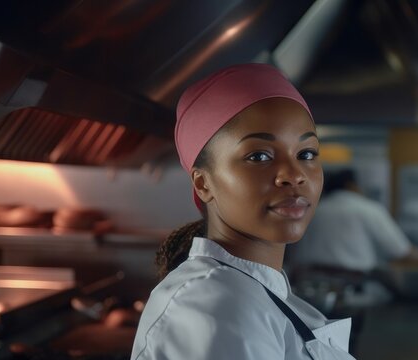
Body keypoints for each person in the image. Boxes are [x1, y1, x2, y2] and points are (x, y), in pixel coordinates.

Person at [131, 64, 356, 360]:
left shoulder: (254, 290)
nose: (294, 174)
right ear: (203, 183)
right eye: (260, 156)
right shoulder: (214, 305)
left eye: (307, 154)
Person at [289, 168, 418, 273]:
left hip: (306, 286)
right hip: (354, 289)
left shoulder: (310, 210)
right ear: (352, 186)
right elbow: (400, 251)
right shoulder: (367, 209)